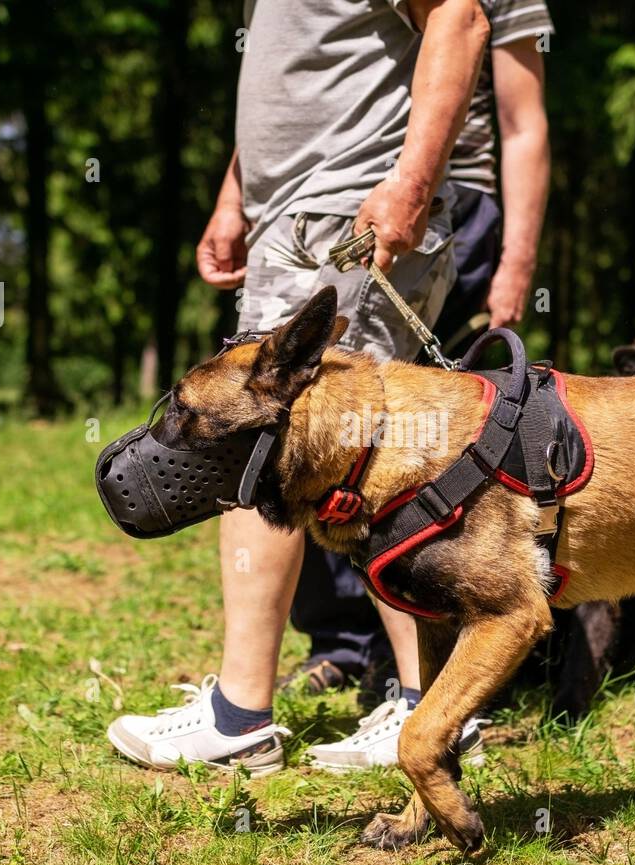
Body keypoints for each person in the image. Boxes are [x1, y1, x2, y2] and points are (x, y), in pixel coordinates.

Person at [107, 0, 492, 776]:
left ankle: (253, 715)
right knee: (359, 459)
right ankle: (425, 705)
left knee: (275, 445)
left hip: (347, 203)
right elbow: (281, 74)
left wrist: (413, 180)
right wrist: (237, 198)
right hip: (293, 210)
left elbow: (461, 15)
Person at [282, 0, 555, 767]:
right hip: (334, 195)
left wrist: (516, 264)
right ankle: (343, 643)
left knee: (422, 461)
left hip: (444, 202)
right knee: (325, 446)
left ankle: (437, 692)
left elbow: (523, 123)